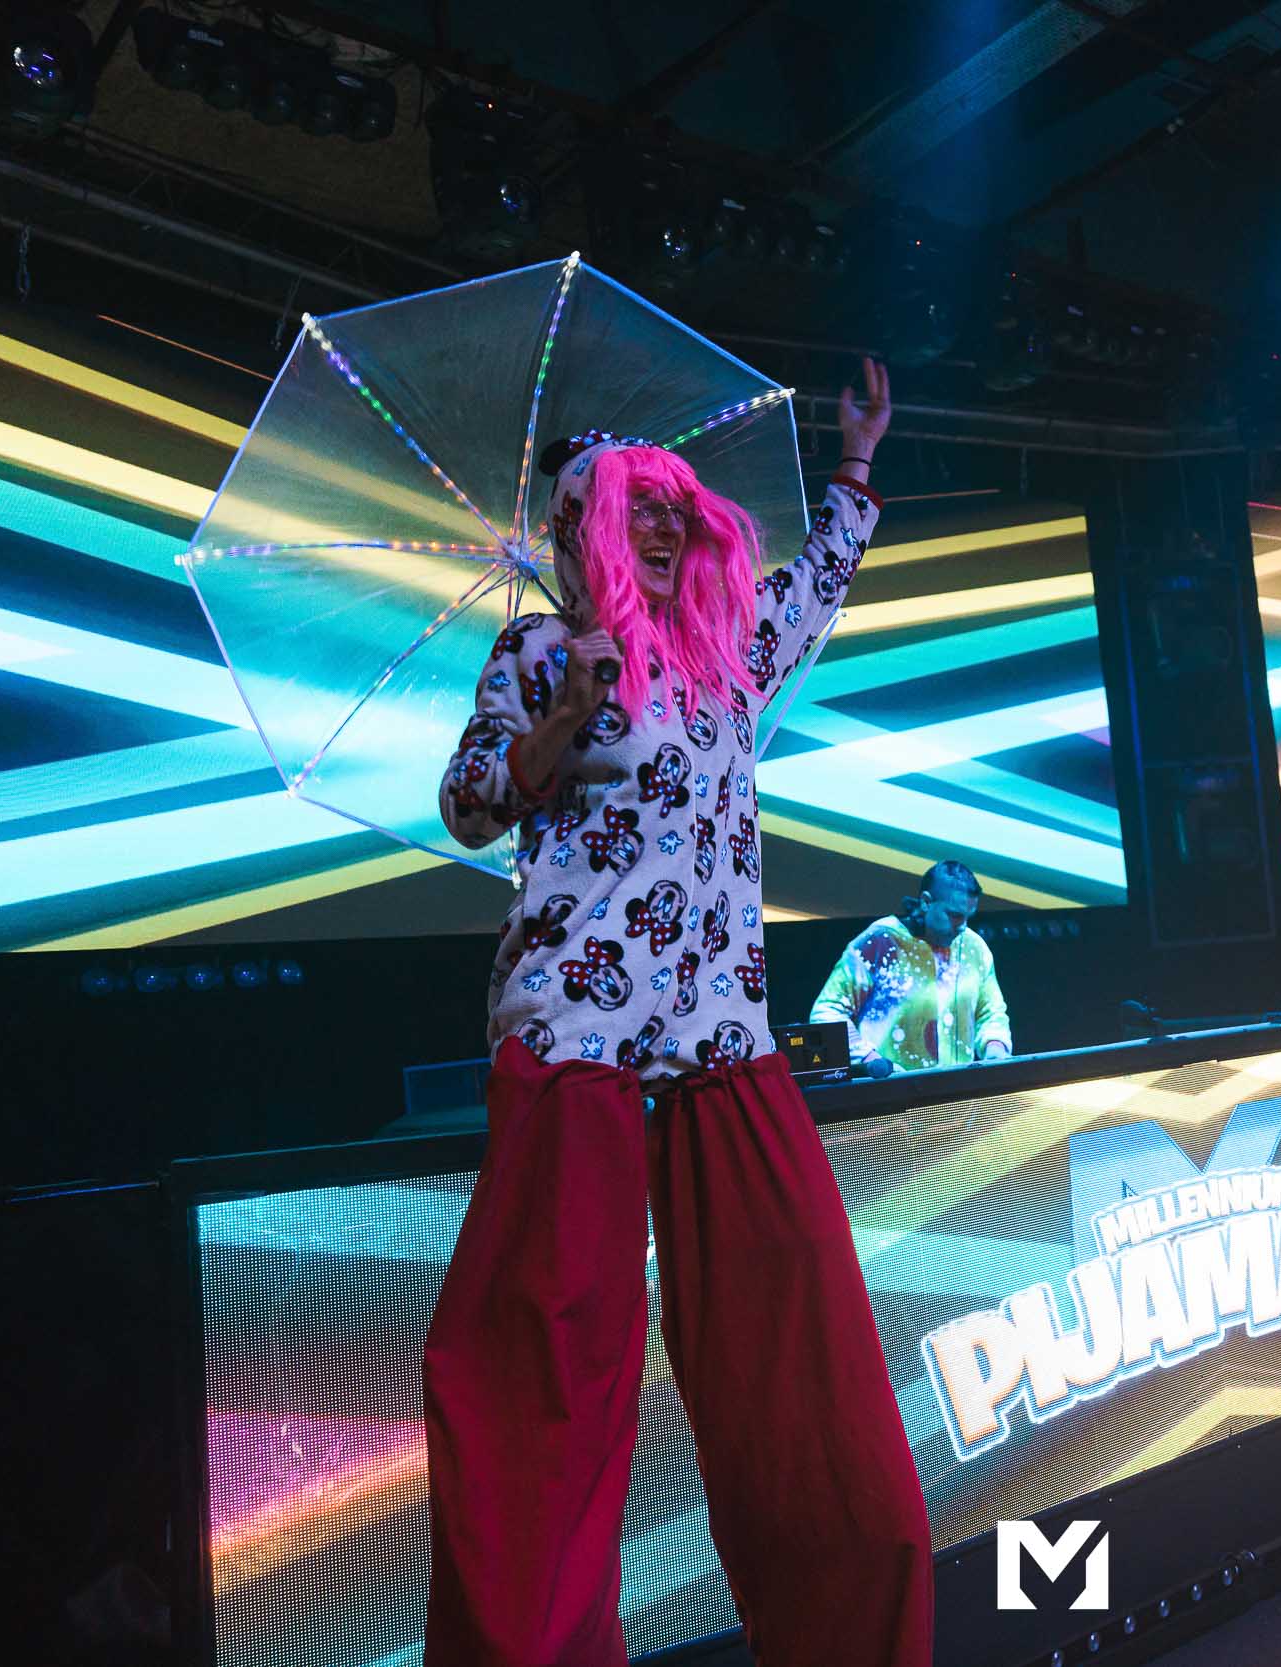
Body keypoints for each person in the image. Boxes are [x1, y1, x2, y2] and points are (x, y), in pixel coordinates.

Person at [423, 362, 934, 1667]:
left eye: (673, 505)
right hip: (575, 1042)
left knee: (805, 1374)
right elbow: (470, 801)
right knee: (542, 1385)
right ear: (585, 527)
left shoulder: (722, 659)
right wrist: (568, 710)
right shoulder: (540, 651)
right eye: (633, 505)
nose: (661, 523)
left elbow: (814, 587)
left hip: (722, 1041)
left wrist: (857, 462)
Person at [809, 860, 1014, 1072]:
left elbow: (991, 1014)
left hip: (960, 1092)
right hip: (889, 1091)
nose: (962, 927)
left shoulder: (975, 948)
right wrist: (870, 1060)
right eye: (954, 916)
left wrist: (995, 1049)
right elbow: (827, 1012)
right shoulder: (881, 941)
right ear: (926, 902)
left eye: (968, 917)